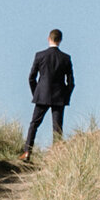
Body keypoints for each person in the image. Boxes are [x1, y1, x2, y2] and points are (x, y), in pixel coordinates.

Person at [24, 29, 75, 158]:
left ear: (49, 38)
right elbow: (71, 82)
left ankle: (27, 152)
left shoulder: (40, 55)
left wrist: (37, 93)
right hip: (59, 96)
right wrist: (65, 96)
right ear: (61, 40)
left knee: (34, 124)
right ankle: (56, 156)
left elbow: (31, 77)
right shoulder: (66, 58)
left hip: (42, 95)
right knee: (57, 128)